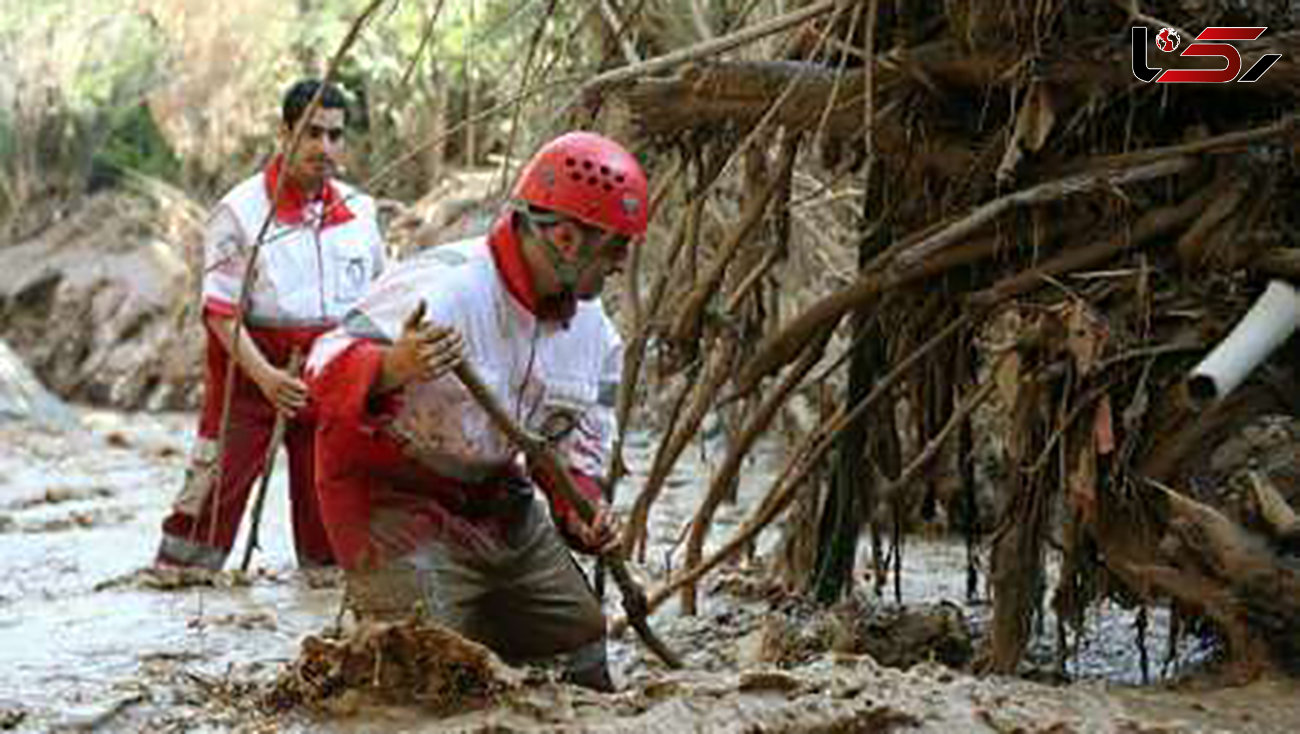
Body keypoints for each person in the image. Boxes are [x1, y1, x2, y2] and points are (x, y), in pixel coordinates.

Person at [305, 131, 647, 692]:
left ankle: (483, 627)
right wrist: (393, 365)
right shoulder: (444, 285)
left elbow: (573, 457)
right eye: (614, 250)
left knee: (581, 638)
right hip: (388, 493)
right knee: (426, 664)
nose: (620, 265)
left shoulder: (597, 337)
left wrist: (585, 511)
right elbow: (321, 367)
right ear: (565, 238)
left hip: (492, 495)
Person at [154, 78, 386, 569]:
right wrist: (268, 379)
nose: (324, 147)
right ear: (285, 133)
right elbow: (220, 313)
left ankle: (315, 604)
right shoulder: (240, 213)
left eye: (335, 136)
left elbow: (378, 303)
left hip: (329, 376)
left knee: (329, 520)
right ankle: (177, 592)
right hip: (248, 375)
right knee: (206, 510)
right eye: (312, 133)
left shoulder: (361, 212)